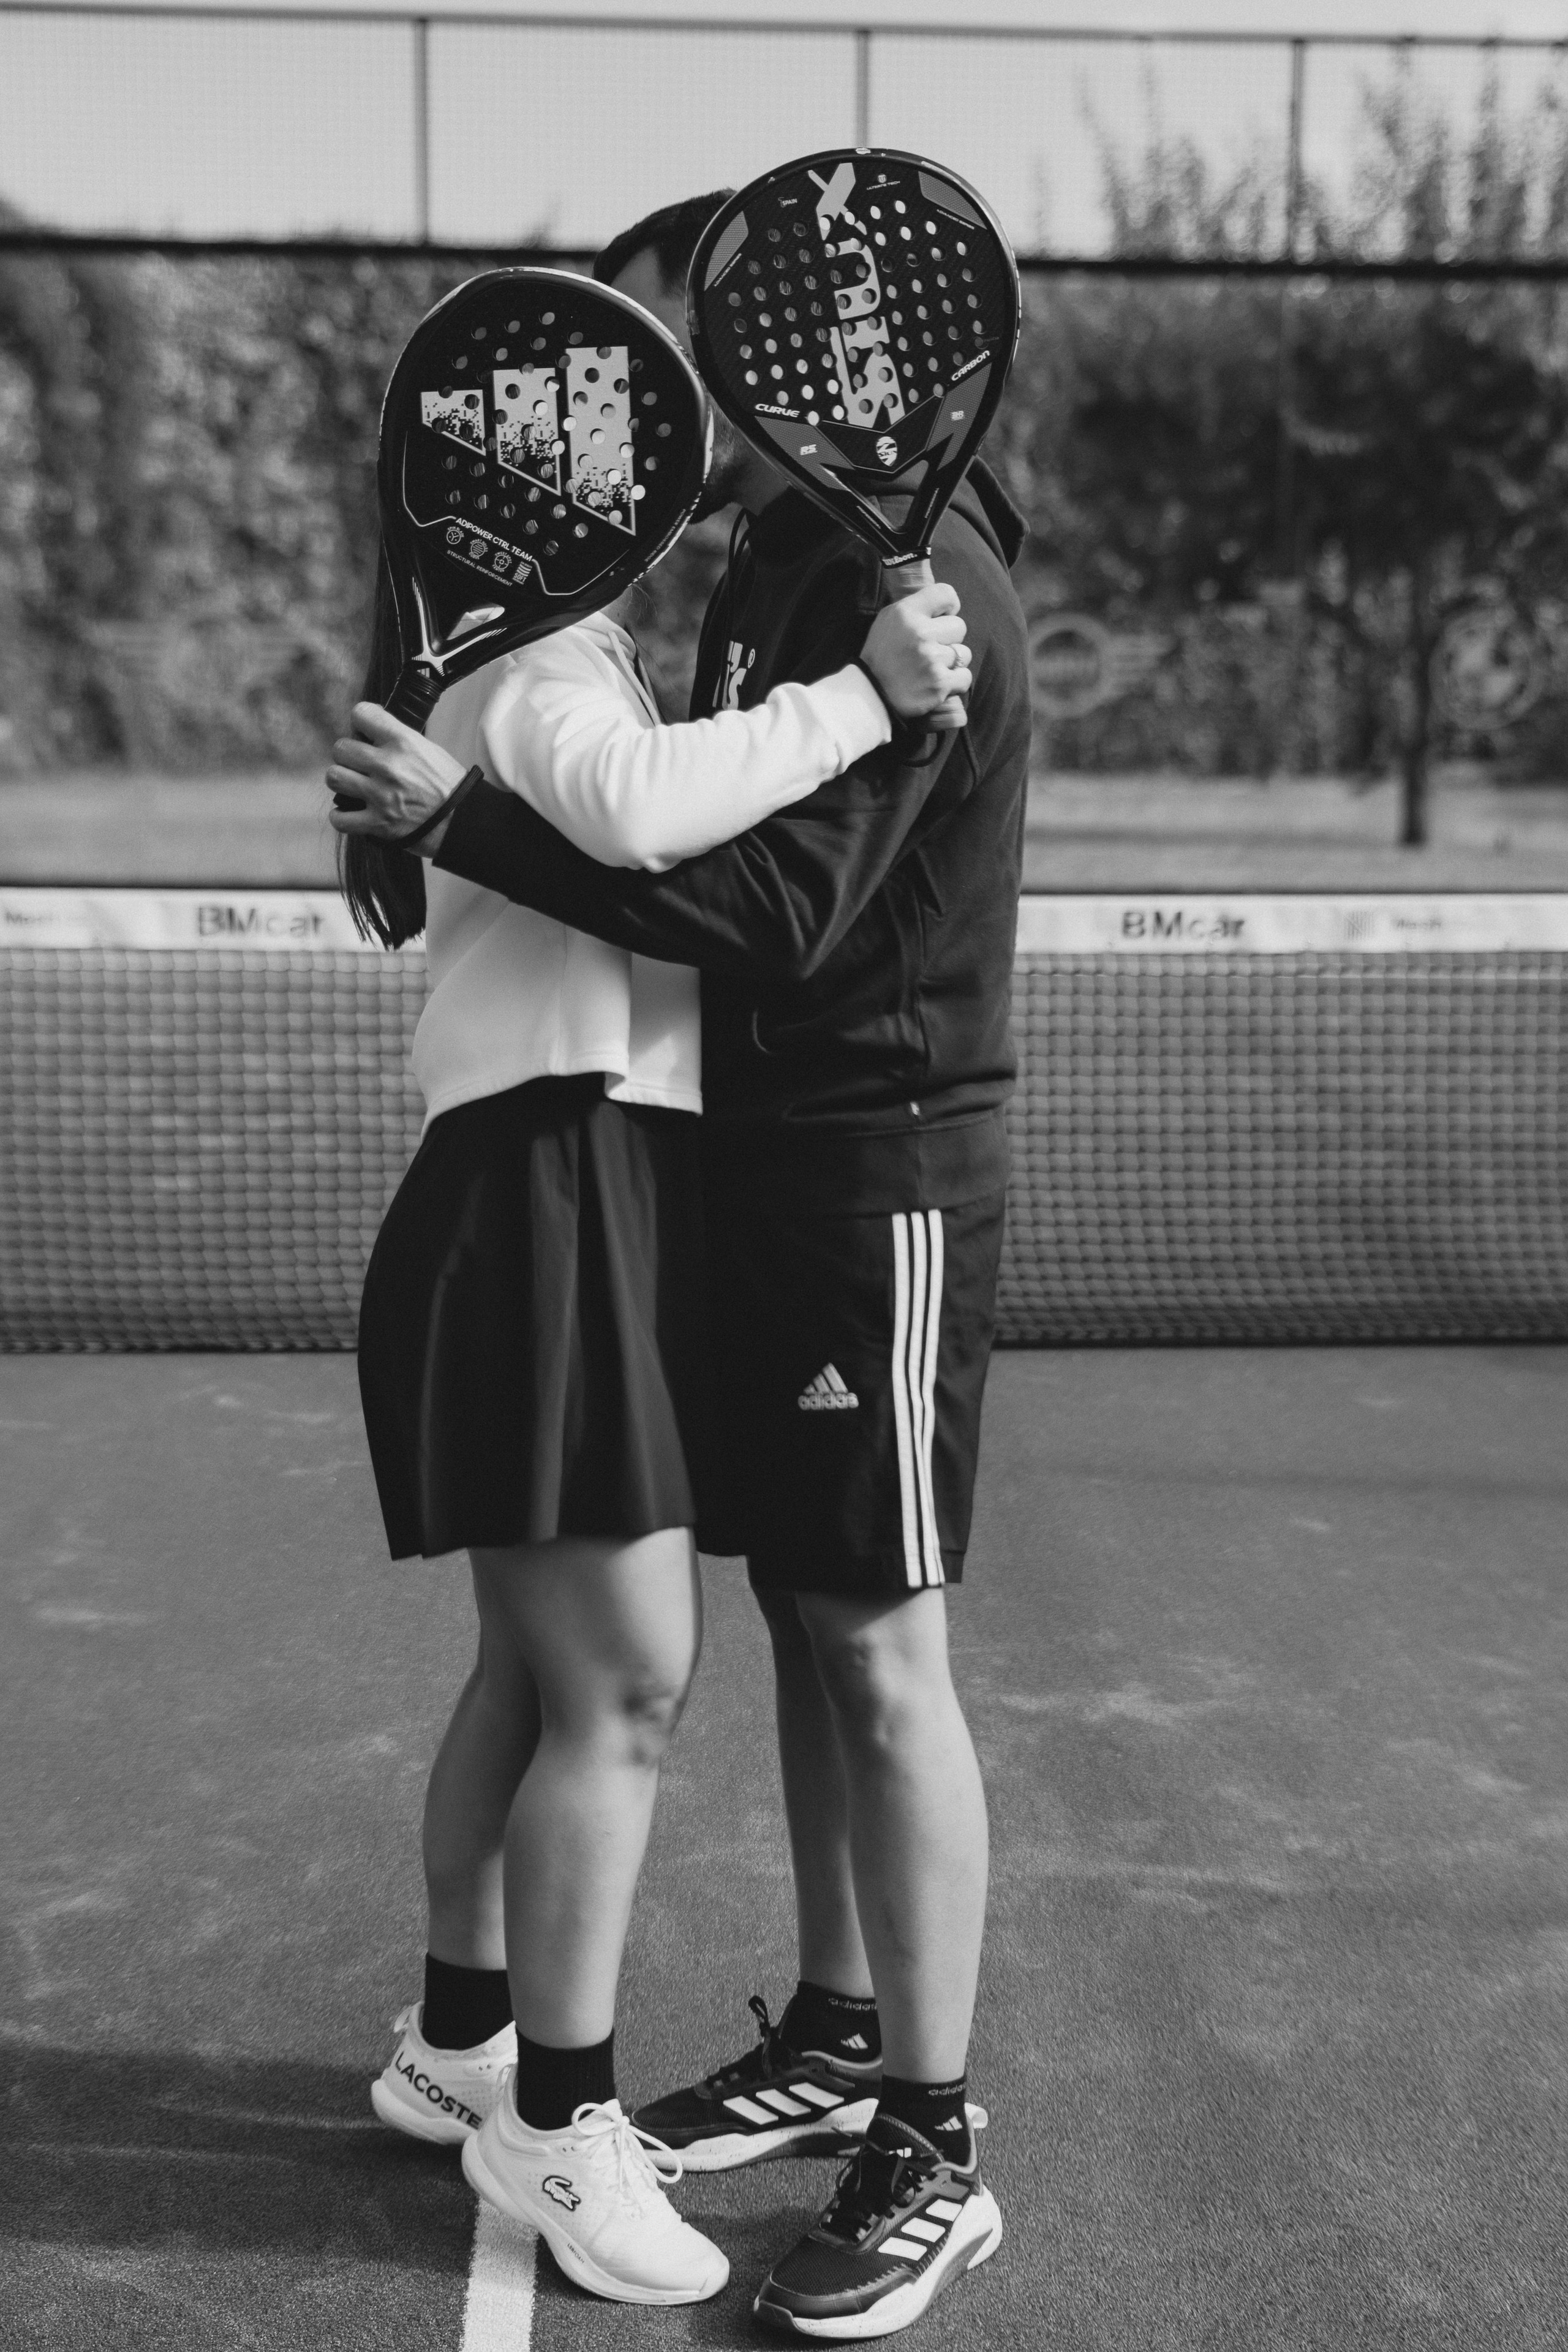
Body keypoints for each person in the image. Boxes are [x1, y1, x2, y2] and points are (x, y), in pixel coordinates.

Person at [333, 191, 1031, 2340]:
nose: (662, 420)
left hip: (797, 1180)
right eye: (627, 383)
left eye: (678, 371)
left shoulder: (876, 586)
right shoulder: (609, 641)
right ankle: (598, 2084)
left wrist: (453, 823)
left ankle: (908, 2125)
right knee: (652, 1671)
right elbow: (642, 820)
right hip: (602, 1196)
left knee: (761, 1657)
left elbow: (775, 913)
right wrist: (461, 822)